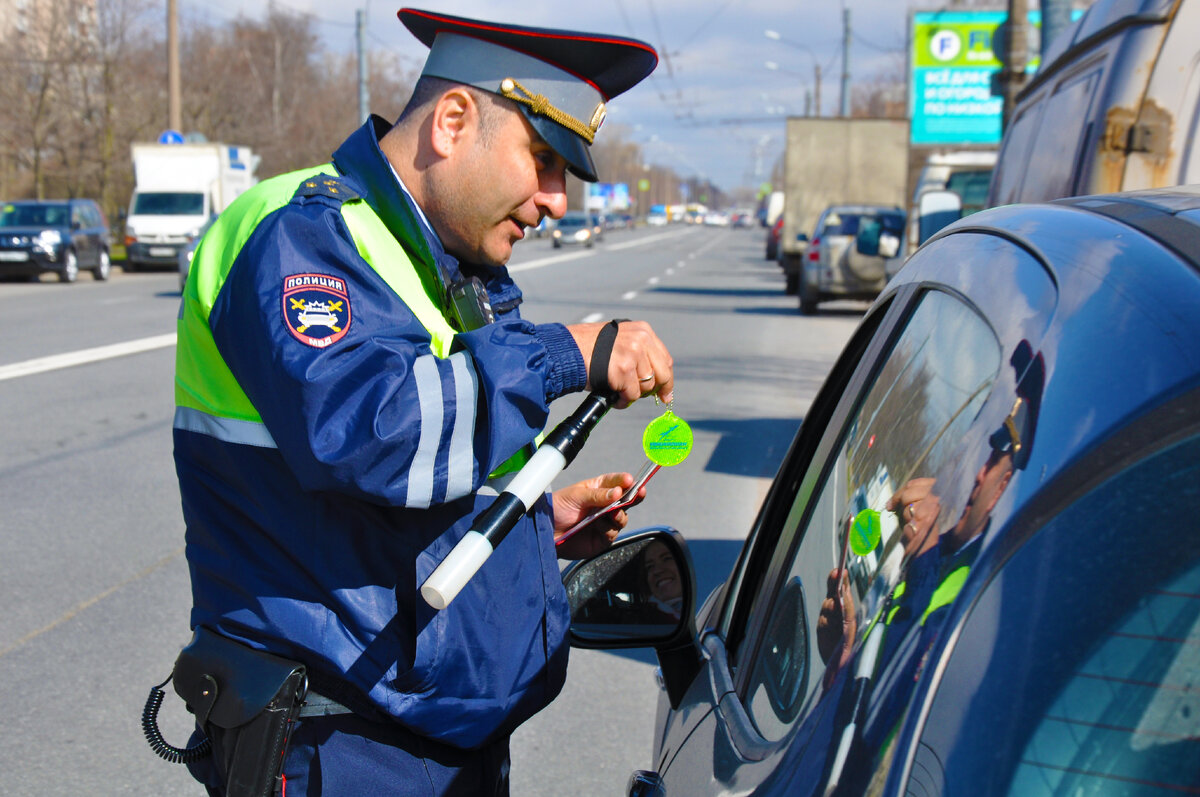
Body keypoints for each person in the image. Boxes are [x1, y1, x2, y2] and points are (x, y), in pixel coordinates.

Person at [171, 8, 670, 795]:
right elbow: (374, 430)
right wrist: (567, 352)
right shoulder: (298, 232)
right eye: (542, 158)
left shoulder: (441, 258)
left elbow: (433, 454)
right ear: (452, 120)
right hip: (341, 743)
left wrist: (530, 518)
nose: (557, 200)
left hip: (428, 738)